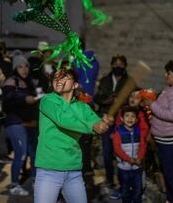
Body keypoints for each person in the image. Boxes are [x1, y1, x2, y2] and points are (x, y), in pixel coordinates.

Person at [34, 67, 111, 203]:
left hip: (73, 171)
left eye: (63, 78)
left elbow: (94, 121)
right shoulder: (48, 100)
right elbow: (64, 119)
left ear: (75, 84)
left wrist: (102, 124)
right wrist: (93, 126)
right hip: (49, 171)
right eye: (56, 78)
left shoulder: (82, 107)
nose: (58, 80)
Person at [147, 60, 173, 203]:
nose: (165, 75)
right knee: (168, 174)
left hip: (172, 140)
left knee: (171, 175)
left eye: (168, 73)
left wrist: (152, 105)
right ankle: (171, 200)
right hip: (166, 139)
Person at [2, 54, 39, 196]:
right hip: (15, 122)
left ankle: (36, 181)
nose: (24, 69)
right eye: (20, 66)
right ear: (15, 68)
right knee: (21, 154)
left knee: (35, 155)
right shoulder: (11, 81)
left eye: (26, 66)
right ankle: (14, 185)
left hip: (29, 123)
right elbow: (8, 98)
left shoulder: (28, 82)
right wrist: (24, 98)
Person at [94, 54, 130, 196]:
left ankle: (124, 182)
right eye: (115, 64)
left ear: (125, 66)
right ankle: (110, 180)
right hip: (106, 120)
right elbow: (97, 98)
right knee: (107, 152)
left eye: (121, 64)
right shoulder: (105, 80)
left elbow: (131, 99)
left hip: (122, 121)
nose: (118, 67)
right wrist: (108, 100)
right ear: (111, 65)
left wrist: (120, 101)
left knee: (121, 152)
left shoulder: (129, 81)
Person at [112, 106, 148, 203]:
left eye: (133, 116)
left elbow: (143, 145)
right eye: (127, 116)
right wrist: (128, 159)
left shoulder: (138, 131)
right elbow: (117, 149)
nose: (130, 118)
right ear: (122, 119)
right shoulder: (119, 132)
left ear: (136, 119)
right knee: (125, 191)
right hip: (123, 169)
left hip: (137, 168)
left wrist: (140, 157)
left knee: (137, 191)